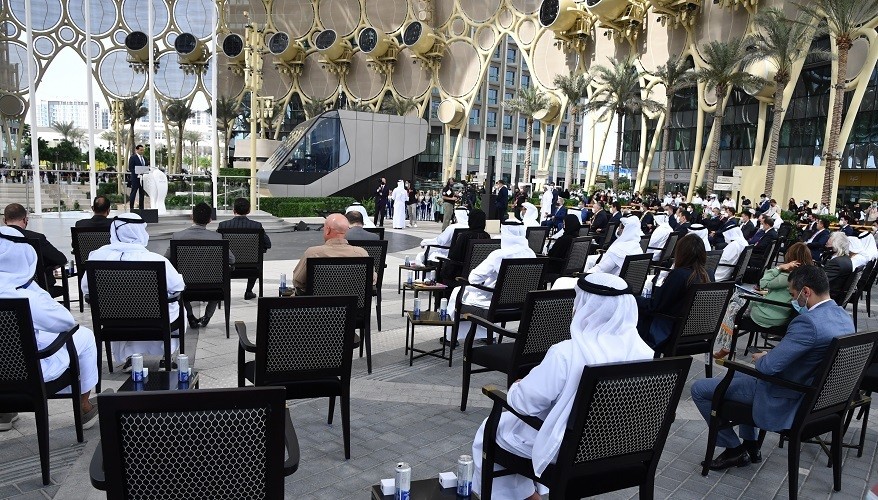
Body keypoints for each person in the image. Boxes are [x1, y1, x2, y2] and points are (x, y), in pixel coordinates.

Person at [470, 273, 654, 499]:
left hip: (569, 452)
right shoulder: (646, 353)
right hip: (623, 450)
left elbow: (524, 404)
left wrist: (518, 387)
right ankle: (530, 495)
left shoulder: (566, 353)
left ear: (586, 307)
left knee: (493, 428)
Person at [692, 264, 854, 470]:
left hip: (786, 396)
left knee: (700, 389)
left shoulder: (808, 323)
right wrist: (771, 357)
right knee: (741, 377)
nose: (793, 300)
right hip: (816, 397)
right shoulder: (844, 317)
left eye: (793, 295)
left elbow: (768, 368)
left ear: (806, 291)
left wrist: (763, 358)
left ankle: (734, 449)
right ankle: (751, 445)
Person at [0, 227, 101, 431]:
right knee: (85, 336)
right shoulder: (26, 295)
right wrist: (34, 289)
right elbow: (66, 322)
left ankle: (4, 411)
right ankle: (84, 407)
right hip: (30, 374)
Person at [84, 213, 185, 369]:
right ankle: (167, 357)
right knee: (176, 306)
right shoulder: (155, 259)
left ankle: (131, 358)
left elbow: (86, 288)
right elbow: (178, 286)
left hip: (114, 321)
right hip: (155, 320)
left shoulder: (97, 257)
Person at [714, 243, 815, 359]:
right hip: (779, 312)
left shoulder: (787, 276)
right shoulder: (805, 275)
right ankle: (727, 343)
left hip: (768, 314)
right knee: (735, 301)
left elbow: (763, 282)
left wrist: (779, 268)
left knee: (733, 305)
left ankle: (727, 344)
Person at [445, 220, 535, 342]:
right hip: (520, 306)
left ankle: (451, 338)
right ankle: (487, 336)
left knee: (457, 291)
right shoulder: (531, 254)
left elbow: (474, 278)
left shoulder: (499, 255)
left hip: (494, 305)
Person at [165, 202, 236, 329]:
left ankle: (190, 316)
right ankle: (207, 316)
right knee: (220, 279)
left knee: (177, 282)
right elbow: (232, 259)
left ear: (192, 217)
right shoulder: (217, 237)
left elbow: (166, 260)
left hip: (185, 287)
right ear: (209, 220)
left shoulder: (178, 237)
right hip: (213, 287)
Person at [636, 234, 712, 350]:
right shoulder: (708, 274)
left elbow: (655, 306)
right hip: (695, 335)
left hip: (669, 334)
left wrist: (633, 298)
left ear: (681, 253)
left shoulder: (680, 275)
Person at [291, 213, 374, 294]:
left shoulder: (313, 254)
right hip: (353, 303)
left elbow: (297, 281)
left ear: (328, 230)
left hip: (319, 303)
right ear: (347, 231)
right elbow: (372, 280)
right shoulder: (361, 254)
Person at [4, 203, 67, 297]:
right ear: (25, 220)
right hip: (36, 288)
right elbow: (61, 259)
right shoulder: (36, 238)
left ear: (4, 220)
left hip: (4, 289)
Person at [217, 197, 272, 300]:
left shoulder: (223, 225)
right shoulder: (256, 226)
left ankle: (224, 292)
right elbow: (268, 244)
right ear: (249, 210)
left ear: (234, 210)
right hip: (252, 267)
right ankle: (248, 291)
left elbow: (218, 245)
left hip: (229, 266)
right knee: (254, 256)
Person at [439, 209, 490, 286]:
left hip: (461, 273)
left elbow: (454, 256)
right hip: (479, 273)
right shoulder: (486, 236)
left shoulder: (465, 236)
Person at [823, 231, 854, 306]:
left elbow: (821, 280)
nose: (826, 242)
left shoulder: (836, 262)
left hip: (828, 296)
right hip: (834, 292)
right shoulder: (845, 258)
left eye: (829, 240)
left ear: (835, 244)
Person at [128, 144, 148, 211]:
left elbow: (146, 167)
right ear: (137, 150)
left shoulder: (145, 158)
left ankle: (141, 208)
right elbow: (131, 168)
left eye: (143, 150)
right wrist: (138, 172)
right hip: (135, 178)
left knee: (142, 193)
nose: (142, 151)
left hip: (143, 179)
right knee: (133, 192)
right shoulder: (133, 158)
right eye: (141, 150)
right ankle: (131, 207)